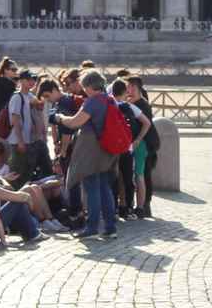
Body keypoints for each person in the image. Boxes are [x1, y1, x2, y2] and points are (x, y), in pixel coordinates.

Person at [51, 69, 120, 241]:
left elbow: (75, 122)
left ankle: (92, 227)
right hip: (107, 147)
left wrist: (59, 118)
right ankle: (110, 227)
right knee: (104, 187)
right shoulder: (110, 100)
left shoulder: (93, 102)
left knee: (91, 187)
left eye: (84, 86)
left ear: (89, 86)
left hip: (91, 149)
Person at [111, 78, 150, 219]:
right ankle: (127, 209)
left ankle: (114, 208)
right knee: (128, 178)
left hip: (111, 148)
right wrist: (138, 139)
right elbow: (147, 122)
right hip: (127, 147)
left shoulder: (107, 105)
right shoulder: (128, 107)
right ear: (125, 91)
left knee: (115, 178)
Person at [126, 76, 158, 218]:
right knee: (135, 175)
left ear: (138, 88)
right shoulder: (129, 102)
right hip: (133, 143)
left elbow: (147, 124)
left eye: (132, 87)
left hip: (143, 144)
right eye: (128, 86)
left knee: (142, 175)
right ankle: (136, 205)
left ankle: (142, 206)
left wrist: (138, 139)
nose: (129, 89)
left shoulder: (142, 105)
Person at [5, 70, 39, 181]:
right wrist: (20, 141)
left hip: (26, 140)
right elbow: (15, 119)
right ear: (21, 81)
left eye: (33, 79)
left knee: (26, 172)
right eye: (28, 79)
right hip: (17, 141)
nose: (32, 82)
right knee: (17, 172)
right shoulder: (17, 97)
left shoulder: (29, 95)